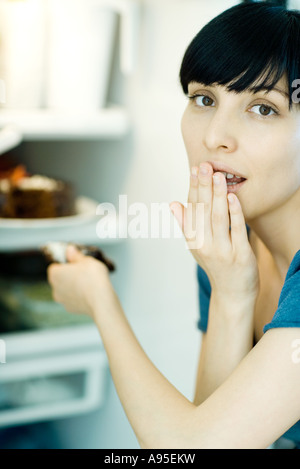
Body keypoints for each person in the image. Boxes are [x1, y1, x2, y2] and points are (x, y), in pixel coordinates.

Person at [47, 2, 300, 449]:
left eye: (263, 109)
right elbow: (212, 421)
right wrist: (230, 291)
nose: (214, 136)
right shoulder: (227, 243)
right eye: (204, 99)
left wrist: (101, 303)